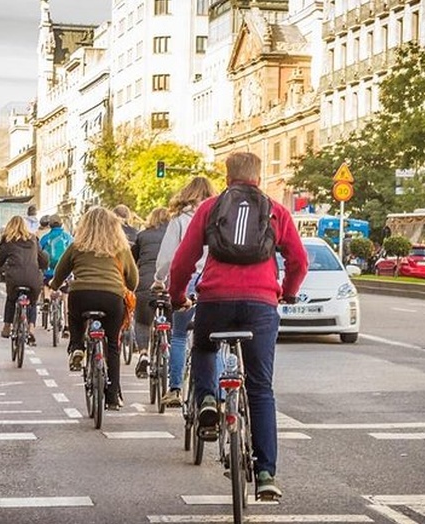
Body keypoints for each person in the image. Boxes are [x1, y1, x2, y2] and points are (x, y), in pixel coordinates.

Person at [168, 152, 307, 499]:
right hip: (261, 304)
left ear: (227, 176)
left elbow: (183, 260)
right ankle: (265, 475)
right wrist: (286, 293)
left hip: (215, 300)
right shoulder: (276, 210)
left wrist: (177, 298)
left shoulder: (211, 208)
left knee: (203, 347)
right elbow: (299, 261)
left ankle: (207, 401)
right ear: (258, 177)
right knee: (260, 389)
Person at [49, 206, 138, 411]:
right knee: (113, 345)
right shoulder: (120, 248)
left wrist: (54, 286)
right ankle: (113, 396)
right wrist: (126, 286)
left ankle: (77, 346)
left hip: (82, 295)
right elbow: (133, 280)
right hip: (112, 298)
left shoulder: (77, 245)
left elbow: (60, 271)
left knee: (75, 316)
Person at [153, 176, 218, 406]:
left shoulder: (180, 221)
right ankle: (216, 393)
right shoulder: (219, 217)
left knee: (179, 335)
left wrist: (159, 280)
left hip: (187, 280)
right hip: (213, 281)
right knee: (213, 340)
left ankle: (175, 388)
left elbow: (168, 258)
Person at [0, 216, 48, 344]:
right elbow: (43, 258)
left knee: (11, 299)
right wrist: (43, 267)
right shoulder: (33, 239)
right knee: (32, 303)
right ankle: (31, 329)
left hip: (15, 278)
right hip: (33, 278)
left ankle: (7, 326)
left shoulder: (8, 240)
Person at [131, 207, 170, 378]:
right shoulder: (173, 235)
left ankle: (144, 353)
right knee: (173, 324)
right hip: (169, 283)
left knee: (142, 321)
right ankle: (168, 349)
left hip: (146, 282)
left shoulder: (142, 235)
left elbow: (133, 260)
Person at [39, 214, 73, 337]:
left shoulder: (45, 238)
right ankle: (67, 327)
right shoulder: (68, 238)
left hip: (49, 271)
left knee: (46, 284)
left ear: (50, 225)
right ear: (61, 224)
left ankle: (47, 298)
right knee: (66, 297)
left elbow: (39, 252)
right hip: (65, 272)